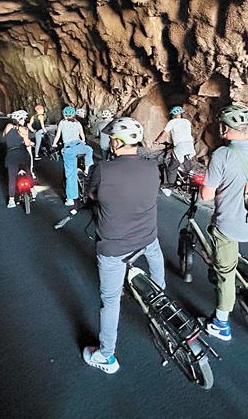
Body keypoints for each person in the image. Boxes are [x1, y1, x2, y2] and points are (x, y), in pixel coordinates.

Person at [82, 117, 164, 374]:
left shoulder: (103, 170)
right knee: (155, 255)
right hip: (148, 238)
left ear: (116, 143)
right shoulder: (152, 167)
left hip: (114, 247)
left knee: (110, 300)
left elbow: (92, 195)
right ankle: (161, 299)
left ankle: (106, 355)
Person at [199, 104, 248, 341]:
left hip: (230, 226)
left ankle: (221, 324)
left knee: (225, 274)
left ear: (224, 127)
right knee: (231, 254)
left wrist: (207, 184)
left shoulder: (221, 155)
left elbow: (206, 196)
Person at [52, 106, 94, 206]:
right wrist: (83, 141)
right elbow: (82, 135)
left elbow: (58, 135)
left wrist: (54, 144)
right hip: (79, 145)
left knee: (70, 174)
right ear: (74, 114)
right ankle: (87, 168)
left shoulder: (62, 122)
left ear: (64, 114)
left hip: (69, 148)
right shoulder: (77, 122)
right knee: (89, 150)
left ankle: (70, 199)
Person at [154, 105, 196, 196]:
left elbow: (164, 133)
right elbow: (182, 134)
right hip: (189, 145)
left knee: (172, 168)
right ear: (181, 114)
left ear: (173, 115)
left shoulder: (172, 122)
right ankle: (190, 175)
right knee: (186, 160)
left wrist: (157, 141)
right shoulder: (187, 122)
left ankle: (169, 188)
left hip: (180, 147)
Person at [3, 110, 36, 208]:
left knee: (12, 178)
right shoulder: (24, 130)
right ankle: (32, 190)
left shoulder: (8, 126)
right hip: (22, 153)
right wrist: (30, 143)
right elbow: (26, 143)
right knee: (28, 171)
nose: (24, 121)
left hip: (11, 154)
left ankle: (11, 200)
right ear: (19, 119)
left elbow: (4, 136)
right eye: (23, 119)